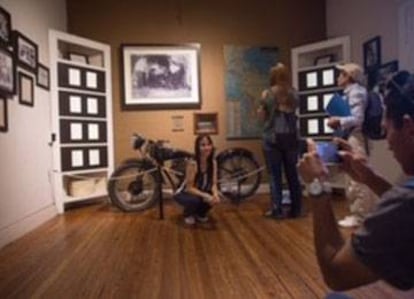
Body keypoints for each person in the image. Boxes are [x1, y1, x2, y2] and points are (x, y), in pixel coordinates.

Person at [297, 70, 414, 292]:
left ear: (408, 128)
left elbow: (336, 274)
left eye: (386, 127)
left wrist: (317, 187)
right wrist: (370, 178)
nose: (387, 141)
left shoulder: (405, 205)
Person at [327, 63, 377, 228]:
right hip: (351, 137)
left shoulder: (356, 92)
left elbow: (357, 119)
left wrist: (338, 120)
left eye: (340, 74)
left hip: (355, 138)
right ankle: (358, 214)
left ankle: (361, 216)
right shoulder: (351, 92)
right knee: (352, 177)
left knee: (357, 177)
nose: (338, 77)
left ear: (348, 76)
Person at [257, 63, 302, 219]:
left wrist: (261, 111)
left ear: (273, 76)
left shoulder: (267, 94)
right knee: (292, 175)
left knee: (274, 176)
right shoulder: (294, 94)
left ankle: (277, 209)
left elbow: (262, 118)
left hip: (272, 139)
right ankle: (296, 209)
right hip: (291, 139)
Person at [174, 134, 220, 225]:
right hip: (185, 192)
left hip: (200, 191)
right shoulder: (193, 163)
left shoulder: (213, 162)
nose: (207, 148)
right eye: (203, 145)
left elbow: (214, 183)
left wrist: (215, 195)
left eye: (208, 144)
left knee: (213, 197)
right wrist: (205, 195)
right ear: (197, 147)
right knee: (196, 199)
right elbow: (189, 188)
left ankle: (200, 213)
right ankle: (187, 214)